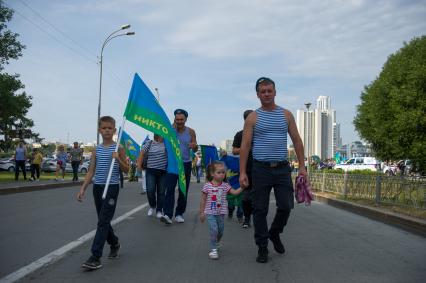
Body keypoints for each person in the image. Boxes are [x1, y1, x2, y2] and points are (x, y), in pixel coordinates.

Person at [239, 77, 307, 263]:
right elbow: (245, 146)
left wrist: (302, 166)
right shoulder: (253, 117)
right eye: (263, 91)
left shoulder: (286, 115)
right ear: (258, 94)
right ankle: (262, 247)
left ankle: (275, 232)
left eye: (270, 90)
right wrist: (243, 172)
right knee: (260, 209)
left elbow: (297, 141)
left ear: (275, 92)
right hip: (260, 169)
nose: (267, 94)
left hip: (282, 169)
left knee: (286, 205)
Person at [76, 116, 129, 270]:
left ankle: (95, 256)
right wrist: (83, 188)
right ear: (99, 130)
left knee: (103, 220)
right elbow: (91, 171)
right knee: (103, 219)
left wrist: (118, 159)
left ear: (114, 130)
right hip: (98, 187)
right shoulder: (96, 150)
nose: (107, 130)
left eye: (109, 128)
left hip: (111, 187)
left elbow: (126, 170)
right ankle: (114, 243)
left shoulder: (118, 148)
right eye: (104, 128)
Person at [199, 161, 244, 259]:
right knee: (214, 230)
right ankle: (213, 249)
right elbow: (203, 199)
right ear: (212, 174)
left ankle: (216, 242)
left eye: (223, 172)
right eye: (219, 172)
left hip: (221, 213)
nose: (222, 174)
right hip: (210, 213)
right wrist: (202, 213)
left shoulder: (225, 185)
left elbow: (235, 192)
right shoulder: (207, 186)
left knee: (220, 231)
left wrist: (242, 187)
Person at [161, 109, 197, 224]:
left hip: (185, 163)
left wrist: (194, 146)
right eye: (177, 119)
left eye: (182, 119)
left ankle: (179, 213)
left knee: (183, 190)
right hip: (172, 163)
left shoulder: (191, 132)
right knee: (169, 189)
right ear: (174, 119)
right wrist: (172, 128)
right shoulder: (170, 130)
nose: (179, 121)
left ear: (186, 119)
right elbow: (161, 140)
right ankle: (167, 214)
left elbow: (195, 147)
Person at [137, 134, 168, 219]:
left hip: (163, 172)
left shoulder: (167, 143)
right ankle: (152, 206)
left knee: (161, 192)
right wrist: (139, 167)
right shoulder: (149, 143)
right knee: (150, 191)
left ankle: (159, 210)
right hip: (150, 171)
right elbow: (141, 154)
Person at [232, 109, 254, 228]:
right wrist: (245, 148)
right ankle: (247, 218)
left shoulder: (260, 133)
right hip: (246, 170)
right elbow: (234, 151)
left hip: (262, 170)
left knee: (259, 197)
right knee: (246, 198)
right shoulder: (240, 134)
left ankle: (258, 218)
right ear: (246, 120)